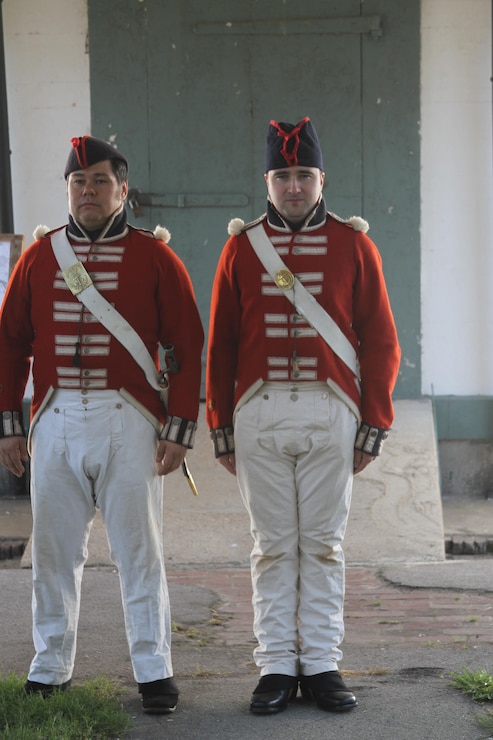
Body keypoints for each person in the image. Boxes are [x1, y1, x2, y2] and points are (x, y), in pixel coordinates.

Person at [0, 136, 204, 714]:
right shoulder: (41, 257)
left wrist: (179, 427)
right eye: (77, 183)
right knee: (54, 551)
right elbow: (10, 344)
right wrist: (10, 423)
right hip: (56, 415)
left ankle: (154, 669)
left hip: (130, 418)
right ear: (68, 190)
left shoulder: (156, 257)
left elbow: (186, 343)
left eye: (99, 181)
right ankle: (49, 664)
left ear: (122, 189)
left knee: (139, 552)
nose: (87, 192)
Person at [206, 117, 400, 715]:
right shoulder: (241, 248)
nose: (294, 187)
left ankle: (320, 662)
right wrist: (220, 424)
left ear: (322, 180)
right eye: (283, 175)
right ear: (267, 181)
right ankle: (273, 667)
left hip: (331, 409)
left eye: (304, 176)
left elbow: (381, 341)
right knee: (270, 547)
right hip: (259, 412)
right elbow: (224, 343)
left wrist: (375, 421)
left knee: (323, 545)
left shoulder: (354, 245)